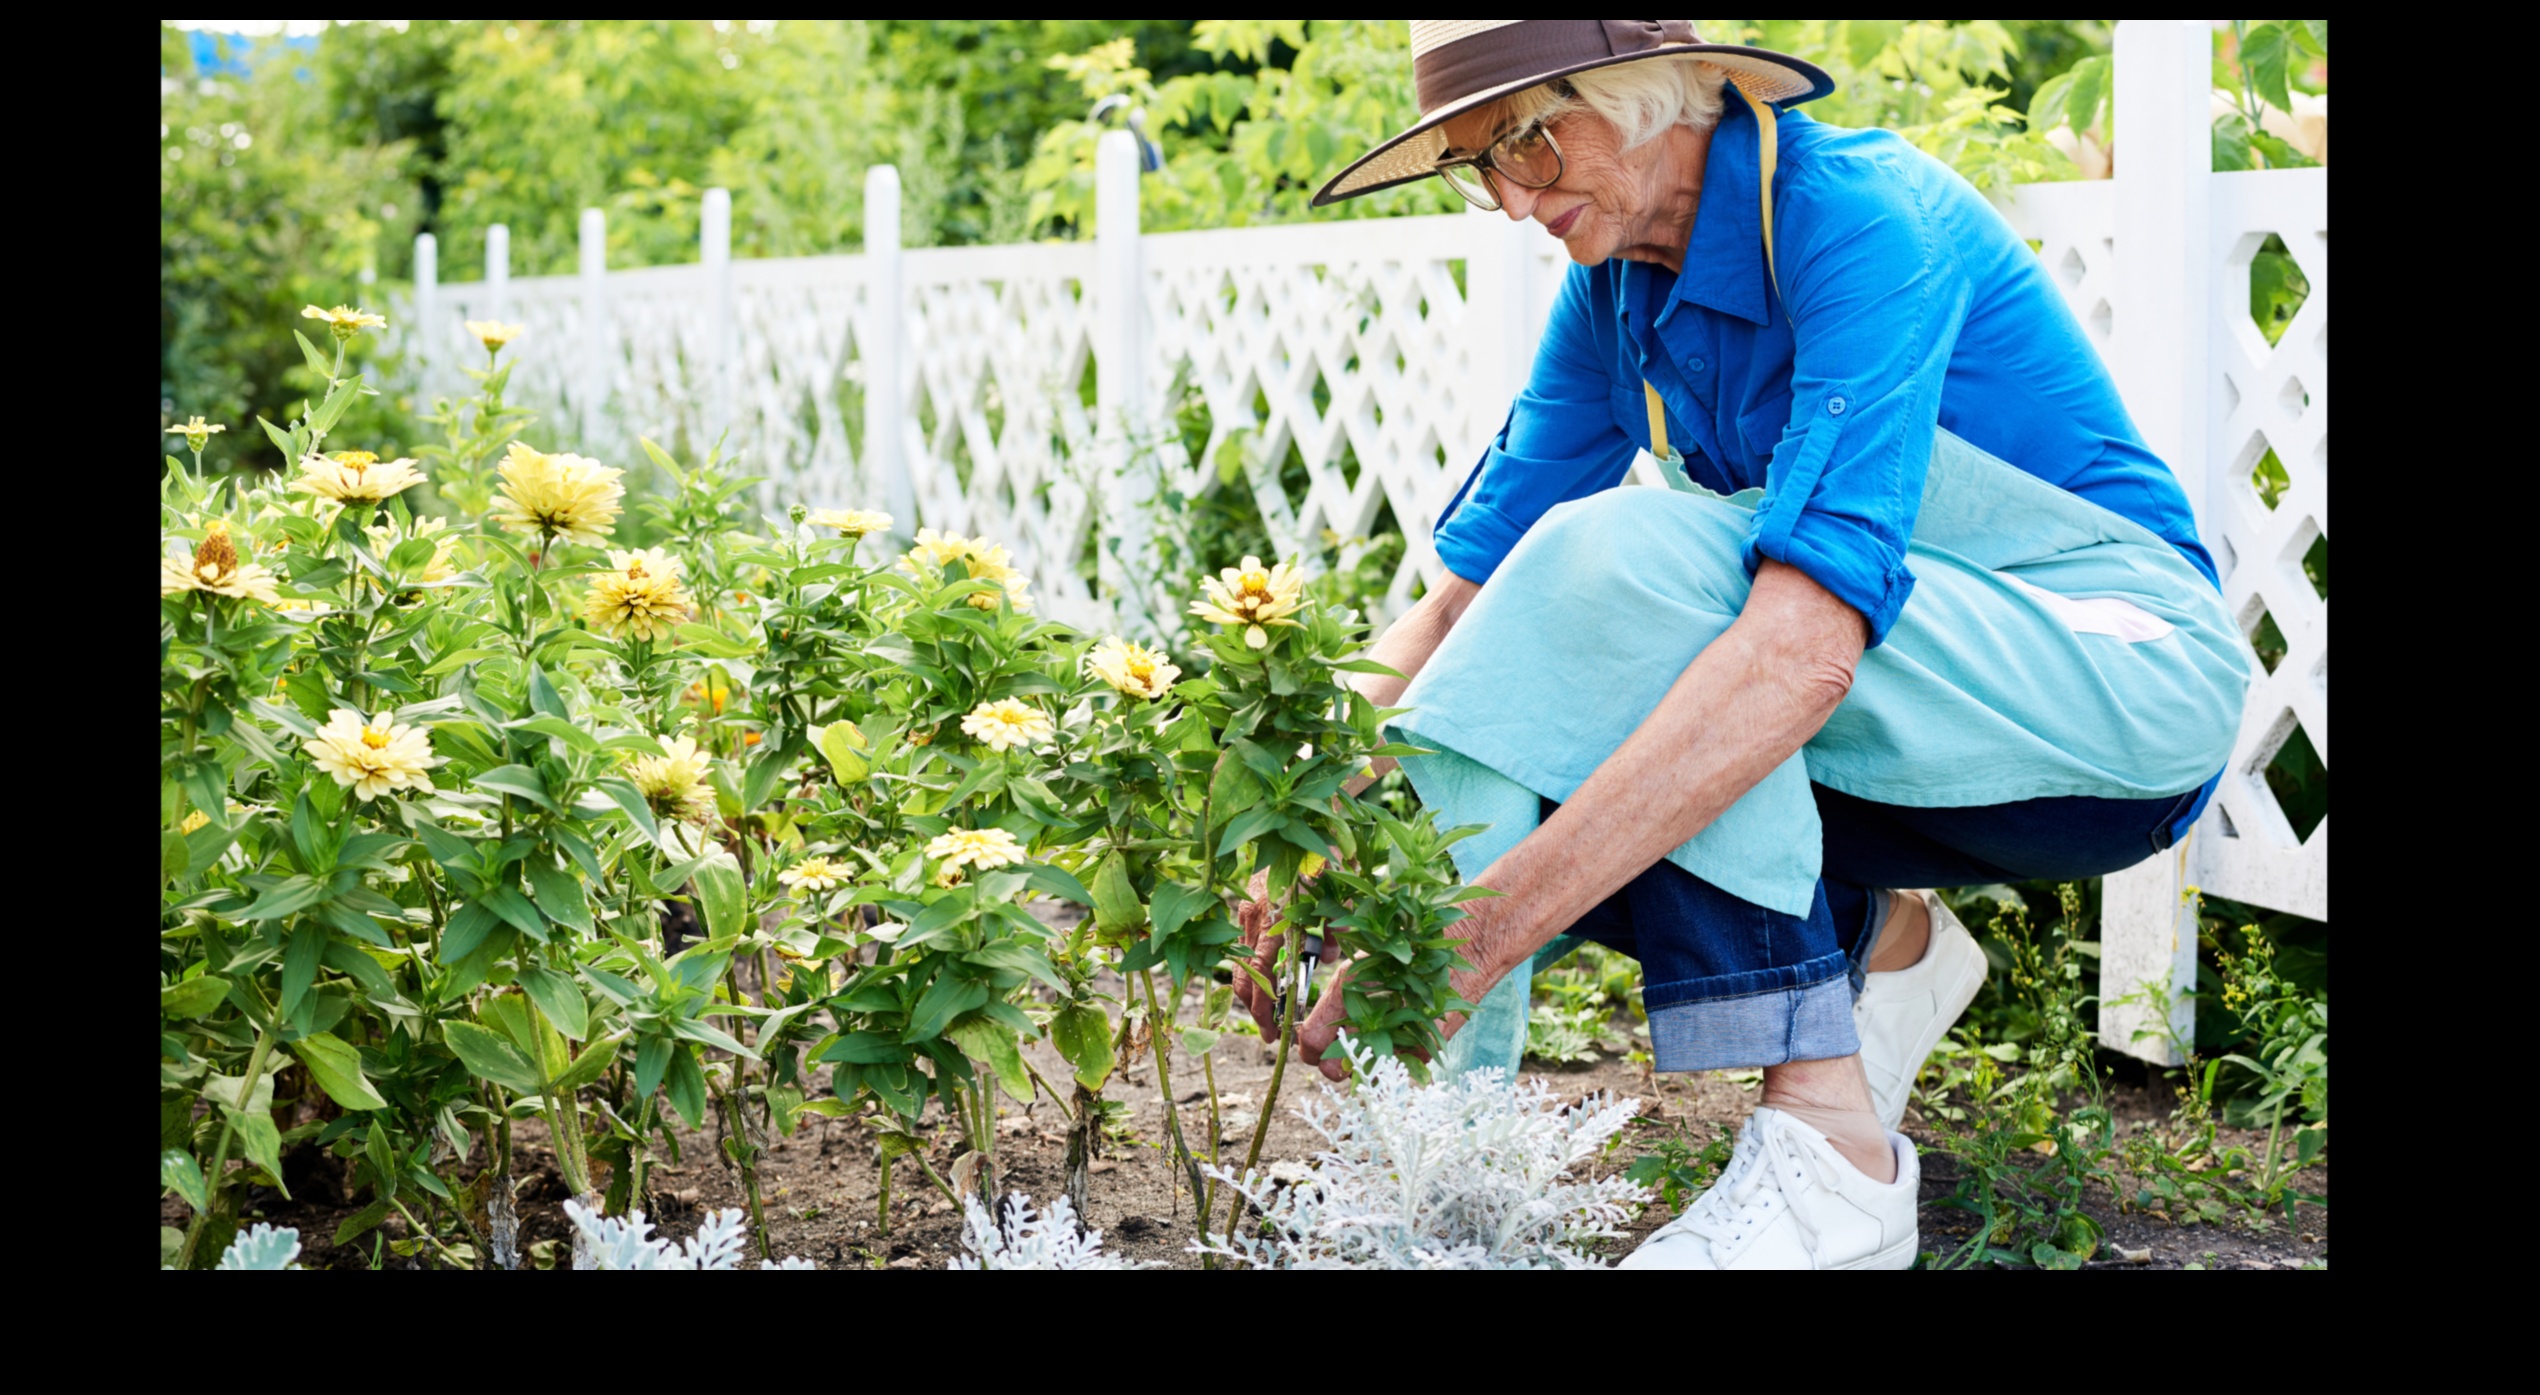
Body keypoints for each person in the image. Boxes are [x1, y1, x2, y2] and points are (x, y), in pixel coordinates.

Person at [1229, 20, 2246, 1270]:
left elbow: (1797, 649)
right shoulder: (1612, 290)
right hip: (1906, 719)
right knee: (1536, 674)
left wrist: (1473, 943)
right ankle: (1870, 948)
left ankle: (1832, 1164)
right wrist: (1305, 812)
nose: (1505, 199)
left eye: (1526, 144)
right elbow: (1460, 607)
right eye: (1474, 165)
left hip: (2113, 691)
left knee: (1634, 563)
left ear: (1653, 96)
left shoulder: (1864, 220)